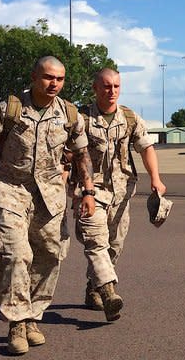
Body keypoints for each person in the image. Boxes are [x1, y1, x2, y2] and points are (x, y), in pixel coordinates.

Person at [0, 56, 95, 355]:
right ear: (34, 77)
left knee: (51, 256)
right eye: (47, 77)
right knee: (16, 254)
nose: (53, 83)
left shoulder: (69, 114)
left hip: (50, 194)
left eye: (59, 78)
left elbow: (82, 155)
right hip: (10, 189)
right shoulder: (9, 110)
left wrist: (89, 191)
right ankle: (16, 321)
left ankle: (32, 316)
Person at [72, 68, 167, 322]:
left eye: (116, 86)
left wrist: (155, 179)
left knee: (115, 245)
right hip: (90, 190)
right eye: (105, 86)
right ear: (95, 88)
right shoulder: (81, 118)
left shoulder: (129, 117)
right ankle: (109, 292)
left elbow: (146, 148)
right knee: (96, 240)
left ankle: (93, 288)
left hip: (122, 190)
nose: (111, 91)